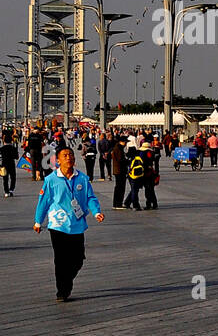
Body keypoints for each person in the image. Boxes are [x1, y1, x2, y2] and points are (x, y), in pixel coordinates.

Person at [33, 147, 104, 301]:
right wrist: (38, 221)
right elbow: (43, 201)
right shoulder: (51, 180)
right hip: (58, 225)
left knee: (78, 259)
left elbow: (90, 197)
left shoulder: (82, 179)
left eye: (71, 155)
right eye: (65, 156)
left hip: (77, 224)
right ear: (58, 160)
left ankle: (67, 281)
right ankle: (62, 291)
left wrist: (96, 212)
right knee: (60, 259)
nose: (69, 158)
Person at [123, 141, 149, 211]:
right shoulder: (138, 158)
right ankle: (135, 205)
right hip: (138, 176)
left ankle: (127, 203)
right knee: (135, 191)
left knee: (133, 190)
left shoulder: (128, 158)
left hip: (131, 176)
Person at [110, 135, 128, 209]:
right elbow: (120, 160)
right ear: (122, 142)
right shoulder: (118, 149)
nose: (126, 144)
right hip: (120, 170)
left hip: (118, 170)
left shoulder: (118, 148)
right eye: (125, 142)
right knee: (120, 187)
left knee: (119, 187)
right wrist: (128, 161)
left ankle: (117, 203)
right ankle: (118, 204)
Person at [1, 129, 18, 197]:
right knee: (13, 177)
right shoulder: (13, 148)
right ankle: (11, 189)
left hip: (4, 164)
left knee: (5, 179)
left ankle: (6, 192)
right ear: (11, 140)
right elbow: (16, 157)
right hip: (11, 164)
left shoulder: (2, 148)